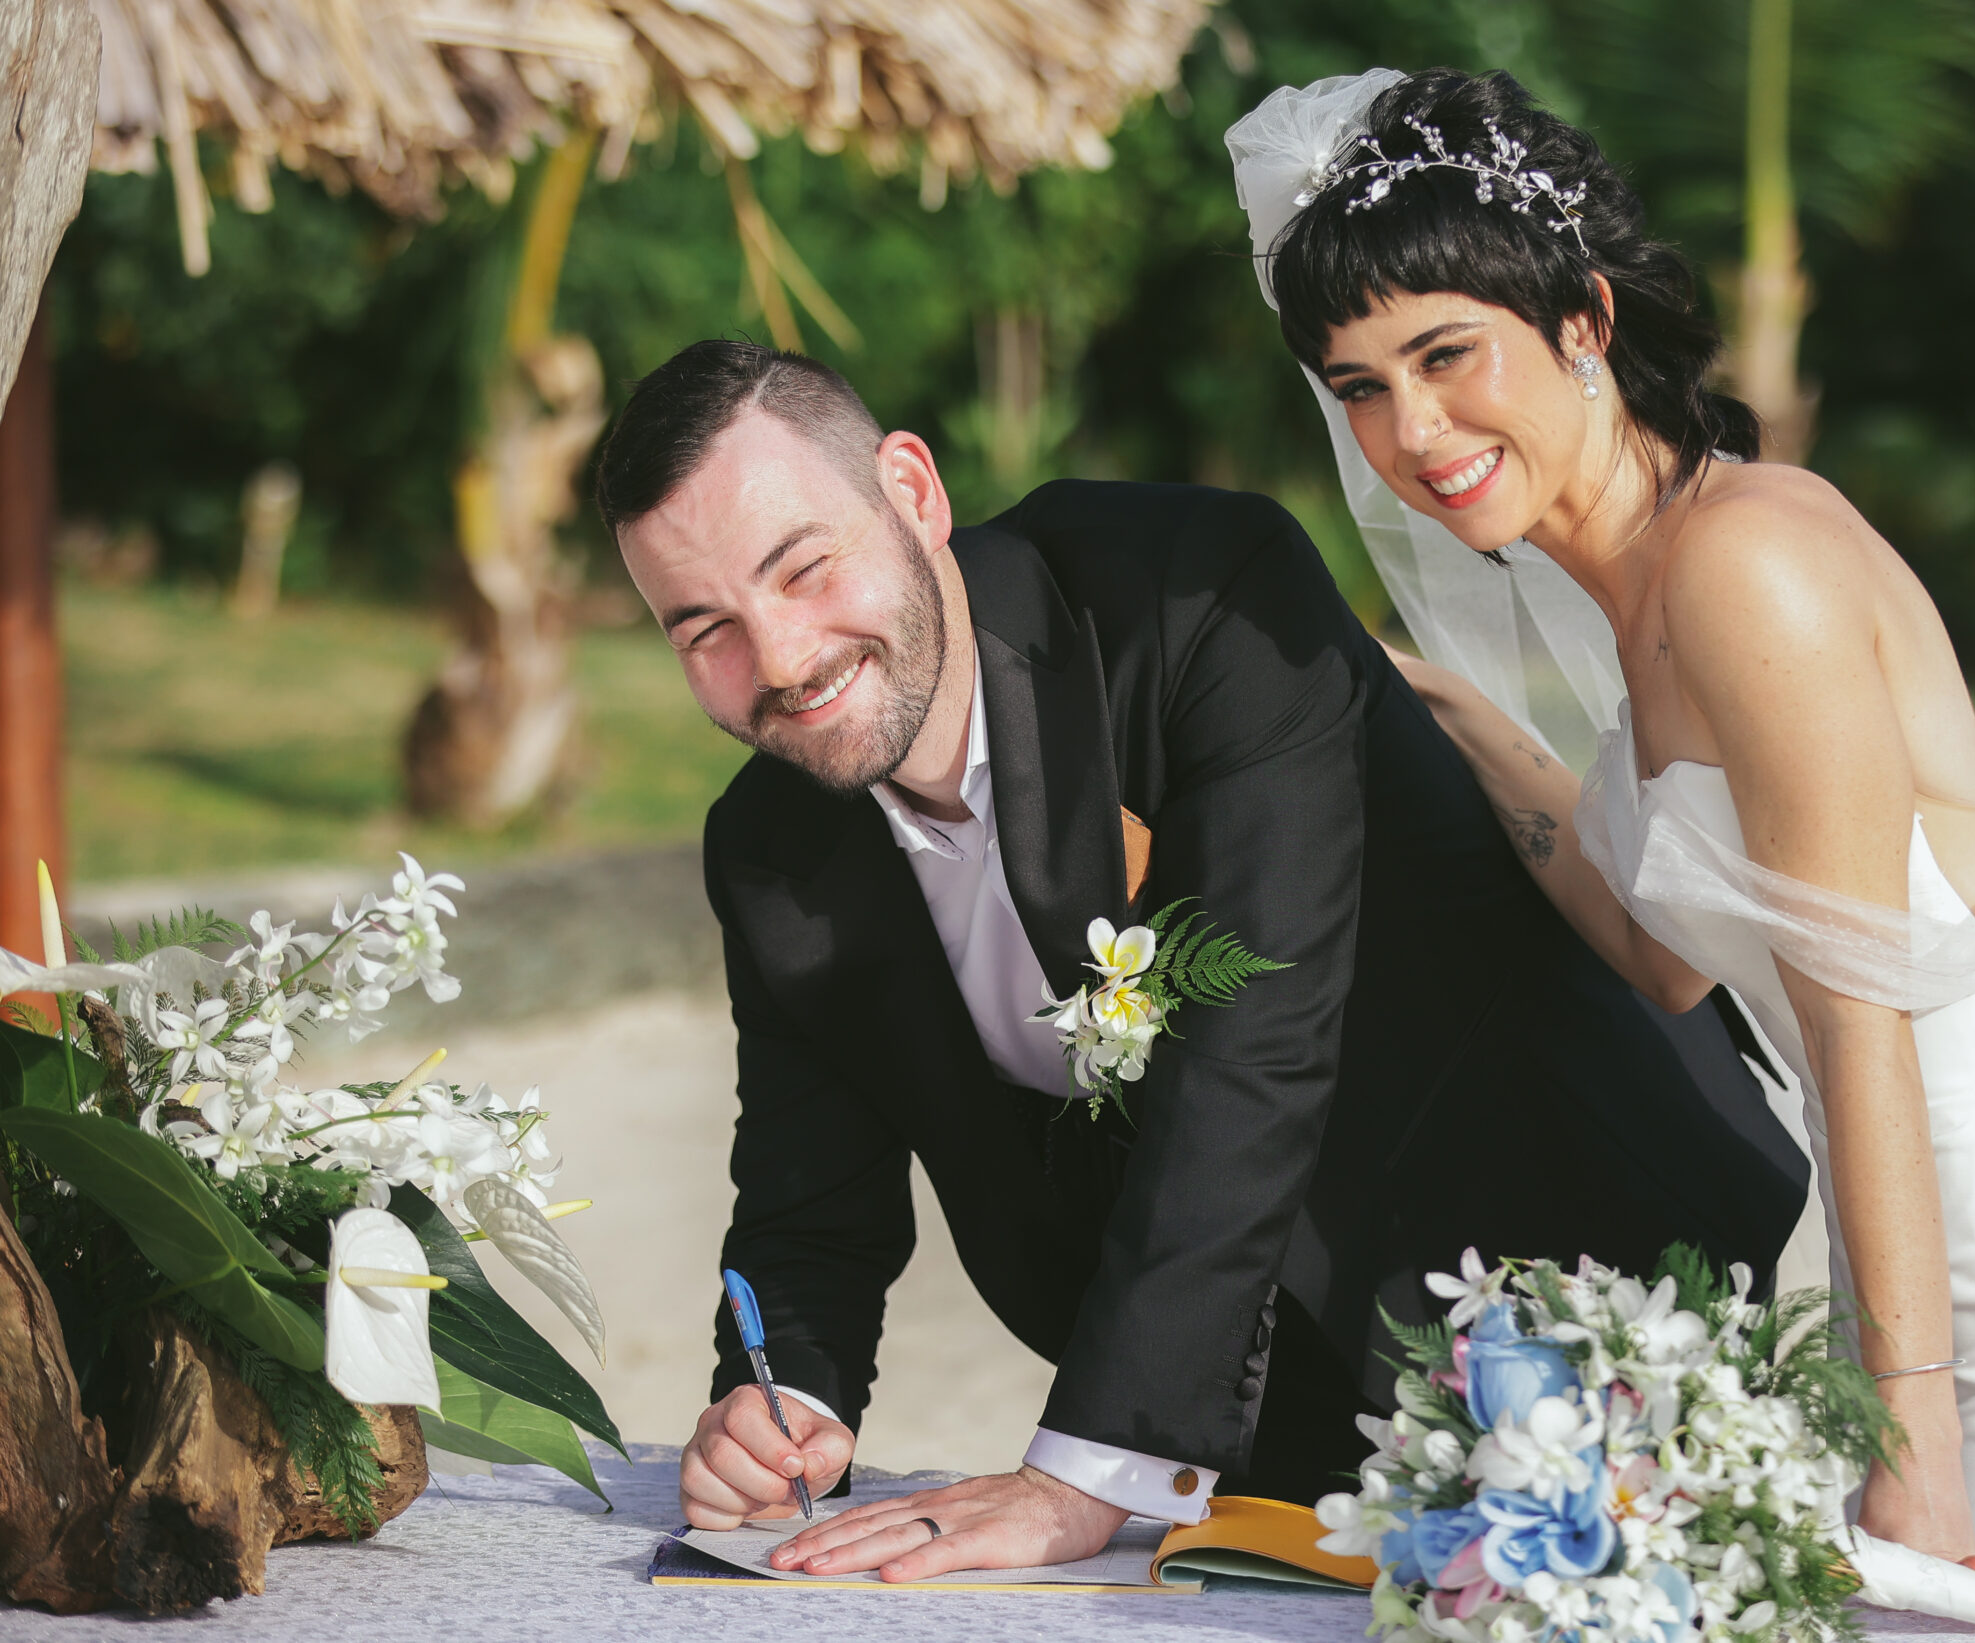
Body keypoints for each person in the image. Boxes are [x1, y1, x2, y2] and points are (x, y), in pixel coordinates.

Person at [1233, 67, 1975, 1592]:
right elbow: (1665, 956)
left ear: (1584, 320)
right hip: (1896, 1304)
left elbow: (1855, 1022)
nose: (1412, 429)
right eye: (1359, 385)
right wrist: (1460, 718)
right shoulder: (1643, 592)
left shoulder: (1748, 563)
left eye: (1445, 353)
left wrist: (1911, 1446)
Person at [599, 339, 1808, 1581]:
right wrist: (783, 1402)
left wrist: (1088, 1472)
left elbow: (1256, 1045)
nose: (781, 659)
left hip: (1579, 1279)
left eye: (804, 570)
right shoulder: (768, 847)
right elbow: (809, 1202)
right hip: (1255, 1420)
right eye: (705, 630)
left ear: (911, 490)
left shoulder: (1199, 592)